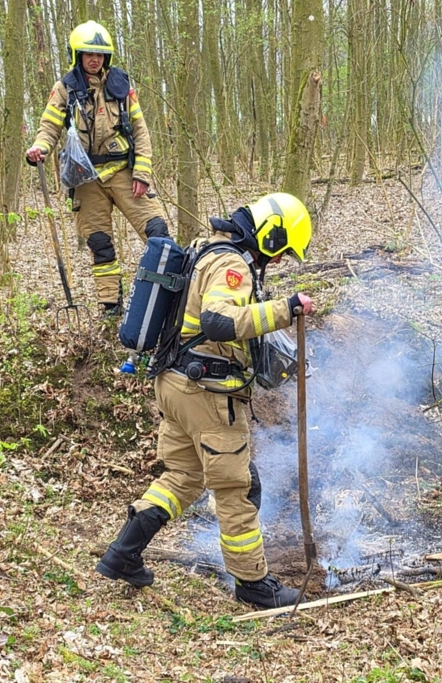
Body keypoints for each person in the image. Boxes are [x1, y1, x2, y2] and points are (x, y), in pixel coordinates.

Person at [96, 193, 316, 609]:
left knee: (183, 477)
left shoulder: (205, 248)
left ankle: (122, 554)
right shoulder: (233, 265)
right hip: (206, 393)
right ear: (270, 236)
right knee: (238, 486)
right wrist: (285, 309)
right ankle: (253, 583)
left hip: (173, 383)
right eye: (283, 251)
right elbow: (218, 321)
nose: (282, 261)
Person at [26, 20, 168, 316]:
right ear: (78, 55)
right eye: (89, 54)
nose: (95, 59)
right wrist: (40, 147)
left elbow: (141, 131)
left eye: (100, 55)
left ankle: (168, 297)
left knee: (158, 232)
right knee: (100, 244)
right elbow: (50, 126)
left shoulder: (122, 85)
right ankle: (111, 307)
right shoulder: (65, 88)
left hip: (124, 172)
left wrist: (142, 172)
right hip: (85, 178)